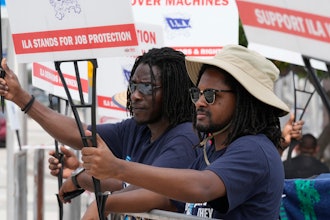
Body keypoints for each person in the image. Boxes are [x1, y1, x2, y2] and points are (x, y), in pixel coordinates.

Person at [81, 44, 293, 219]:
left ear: (244, 100)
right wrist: (104, 203)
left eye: (210, 95)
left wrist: (118, 168)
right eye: (196, 93)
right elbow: (168, 197)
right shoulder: (209, 151)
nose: (199, 102)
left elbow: (202, 187)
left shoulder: (253, 149)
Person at [0, 47, 199, 218]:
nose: (136, 95)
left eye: (147, 87)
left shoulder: (184, 138)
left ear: (174, 90)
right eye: (134, 85)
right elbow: (79, 134)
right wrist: (22, 98)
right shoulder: (136, 129)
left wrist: (103, 204)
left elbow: (157, 191)